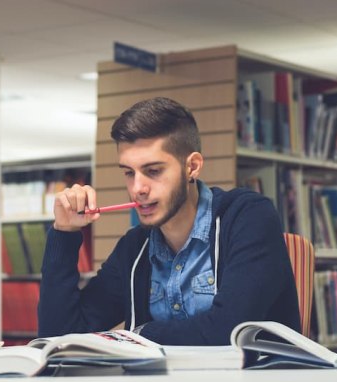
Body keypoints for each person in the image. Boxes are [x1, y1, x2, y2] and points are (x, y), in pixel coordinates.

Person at [38, 97, 301, 345]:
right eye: (129, 173)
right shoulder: (135, 247)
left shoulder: (248, 217)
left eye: (153, 171)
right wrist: (65, 232)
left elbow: (231, 330)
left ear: (192, 167)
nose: (137, 188)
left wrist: (138, 336)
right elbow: (58, 338)